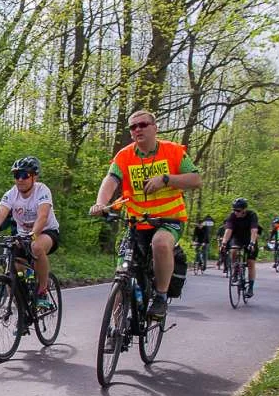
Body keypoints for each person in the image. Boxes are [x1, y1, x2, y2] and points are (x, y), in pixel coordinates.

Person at [89, 110, 202, 320]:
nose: (137, 129)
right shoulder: (124, 155)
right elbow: (111, 179)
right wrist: (101, 203)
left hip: (169, 221)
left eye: (142, 125)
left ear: (154, 128)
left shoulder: (173, 151)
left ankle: (160, 296)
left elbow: (196, 180)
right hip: (136, 223)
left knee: (160, 243)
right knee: (121, 274)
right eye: (133, 127)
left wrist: (166, 179)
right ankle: (115, 330)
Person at [0, 156, 60, 310]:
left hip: (47, 232)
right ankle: (22, 310)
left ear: (34, 176)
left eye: (24, 175)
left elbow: (42, 217)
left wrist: (33, 235)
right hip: (23, 236)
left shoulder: (42, 190)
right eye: (17, 175)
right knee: (13, 268)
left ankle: (42, 291)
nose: (20, 179)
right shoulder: (11, 194)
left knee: (36, 247)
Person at [218, 198, 259, 297]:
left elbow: (254, 230)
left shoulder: (252, 215)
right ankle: (235, 269)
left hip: (250, 238)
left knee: (250, 263)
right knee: (233, 250)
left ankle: (250, 288)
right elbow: (228, 230)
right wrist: (223, 243)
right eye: (234, 210)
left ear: (244, 209)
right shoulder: (232, 216)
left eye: (238, 210)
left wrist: (252, 243)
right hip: (237, 238)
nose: (235, 212)